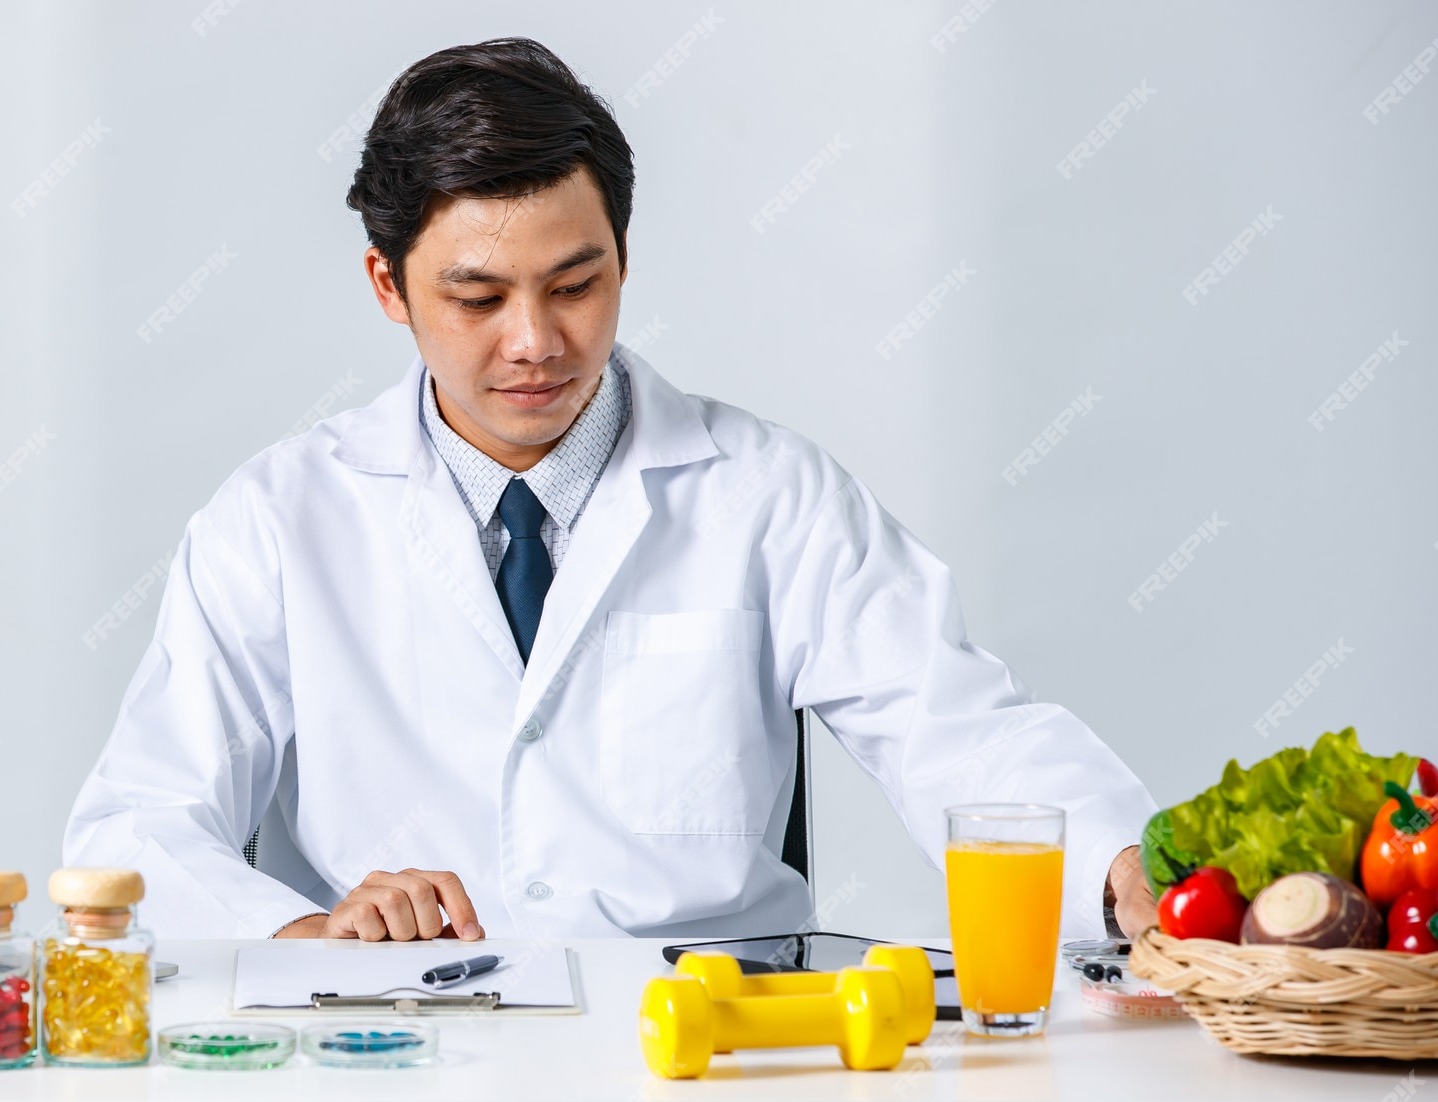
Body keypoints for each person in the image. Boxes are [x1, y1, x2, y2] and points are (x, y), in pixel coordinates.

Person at [65, 37, 1160, 943]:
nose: (535, 342)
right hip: (401, 1040)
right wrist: (302, 935)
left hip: (707, 1044)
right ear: (387, 287)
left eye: (574, 284)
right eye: (477, 297)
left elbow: (953, 724)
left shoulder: (766, 494)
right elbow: (133, 828)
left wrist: (1120, 856)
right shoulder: (278, 519)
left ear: (622, 259)